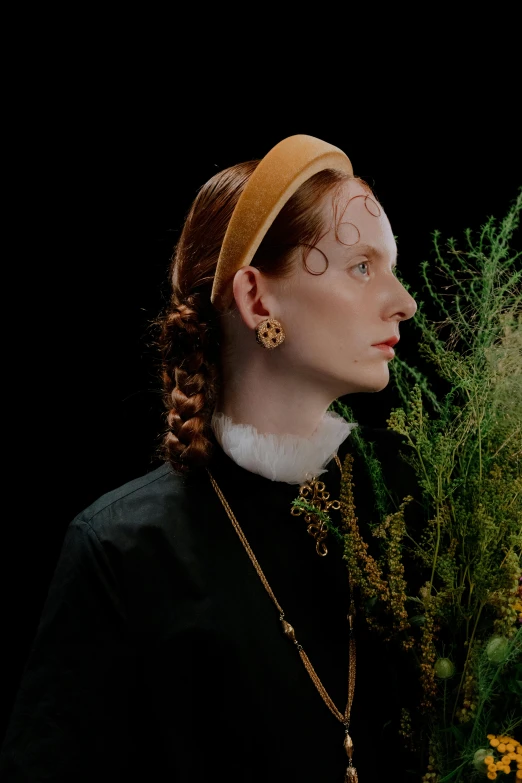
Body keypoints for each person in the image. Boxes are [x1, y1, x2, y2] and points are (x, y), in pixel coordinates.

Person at [0, 134, 419, 782]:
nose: (403, 302)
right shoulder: (122, 551)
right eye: (362, 267)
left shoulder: (412, 520)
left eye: (388, 266)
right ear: (258, 299)